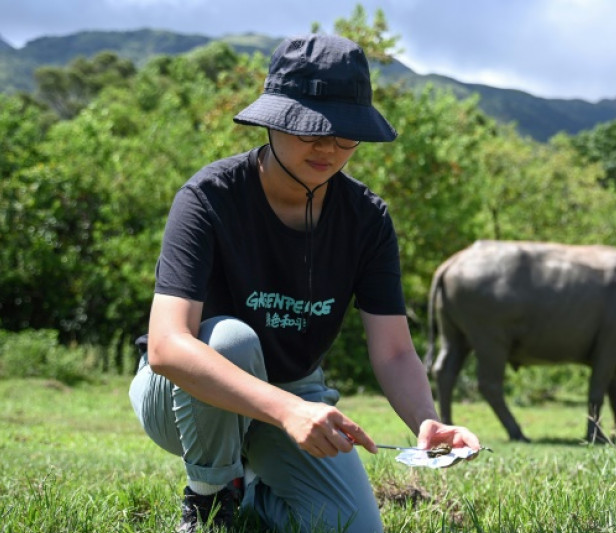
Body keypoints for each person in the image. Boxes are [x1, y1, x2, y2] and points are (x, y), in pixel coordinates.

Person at [129, 33, 481, 533]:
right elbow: (167, 347)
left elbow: (395, 352)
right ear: (274, 119)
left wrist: (426, 420)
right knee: (231, 339)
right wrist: (290, 411)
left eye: (345, 135)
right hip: (184, 398)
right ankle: (209, 500)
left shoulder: (367, 219)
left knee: (351, 528)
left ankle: (248, 494)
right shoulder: (209, 197)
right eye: (312, 131)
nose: (329, 149)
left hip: (291, 394)